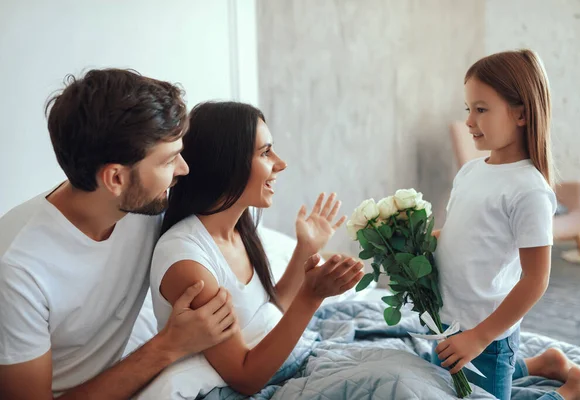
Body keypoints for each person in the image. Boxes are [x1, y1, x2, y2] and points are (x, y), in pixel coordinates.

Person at [0, 69, 237, 399]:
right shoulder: (18, 269)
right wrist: (168, 346)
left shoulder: (143, 204)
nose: (183, 169)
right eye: (169, 160)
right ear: (115, 179)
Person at [151, 101, 364, 396]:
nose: (280, 163)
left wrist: (306, 248)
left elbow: (269, 312)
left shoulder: (239, 229)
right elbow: (245, 377)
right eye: (265, 152)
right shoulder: (188, 263)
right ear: (226, 162)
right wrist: (312, 295)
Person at [432, 49, 557, 399]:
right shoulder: (471, 171)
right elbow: (459, 236)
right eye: (468, 109)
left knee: (484, 382)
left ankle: (571, 389)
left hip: (487, 335)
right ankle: (543, 363)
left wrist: (480, 337)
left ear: (520, 113)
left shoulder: (529, 189)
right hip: (446, 322)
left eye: (481, 110)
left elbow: (536, 279)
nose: (469, 121)